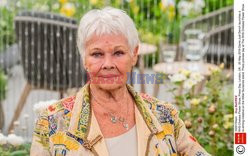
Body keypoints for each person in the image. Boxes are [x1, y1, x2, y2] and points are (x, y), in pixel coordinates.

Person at [30, 7, 210, 156]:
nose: (108, 64)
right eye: (97, 54)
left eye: (118, 53)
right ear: (84, 59)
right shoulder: (53, 122)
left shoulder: (164, 116)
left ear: (134, 55)